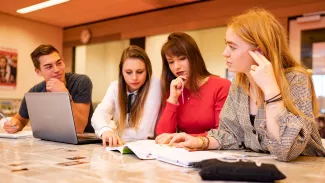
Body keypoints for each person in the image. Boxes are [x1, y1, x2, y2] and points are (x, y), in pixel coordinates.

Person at [164, 8, 325, 162]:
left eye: (232, 47)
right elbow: (231, 134)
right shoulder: (239, 84)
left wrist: (270, 90)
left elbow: (285, 150)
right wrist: (200, 142)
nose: (225, 52)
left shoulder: (295, 79)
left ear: (259, 51)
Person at [155, 32, 231, 143]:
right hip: (184, 153)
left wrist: (188, 138)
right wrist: (172, 99)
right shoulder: (174, 90)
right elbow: (162, 135)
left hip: (213, 152)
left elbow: (223, 134)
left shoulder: (221, 86)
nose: (177, 66)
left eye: (182, 58)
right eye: (171, 62)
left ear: (194, 57)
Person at [3, 45, 94, 134]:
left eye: (59, 63)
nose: (57, 69)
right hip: (52, 141)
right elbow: (20, 119)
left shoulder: (81, 82)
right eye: (49, 67)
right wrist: (14, 124)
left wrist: (64, 94)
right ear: (38, 72)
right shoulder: (35, 92)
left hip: (84, 142)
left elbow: (79, 128)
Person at [91, 45, 161, 147]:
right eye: (128, 72)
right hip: (122, 146)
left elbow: (143, 133)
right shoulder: (115, 86)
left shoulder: (155, 85)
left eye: (140, 72)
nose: (134, 78)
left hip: (147, 148)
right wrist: (106, 131)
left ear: (148, 71)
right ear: (121, 72)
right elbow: (98, 114)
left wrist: (115, 130)